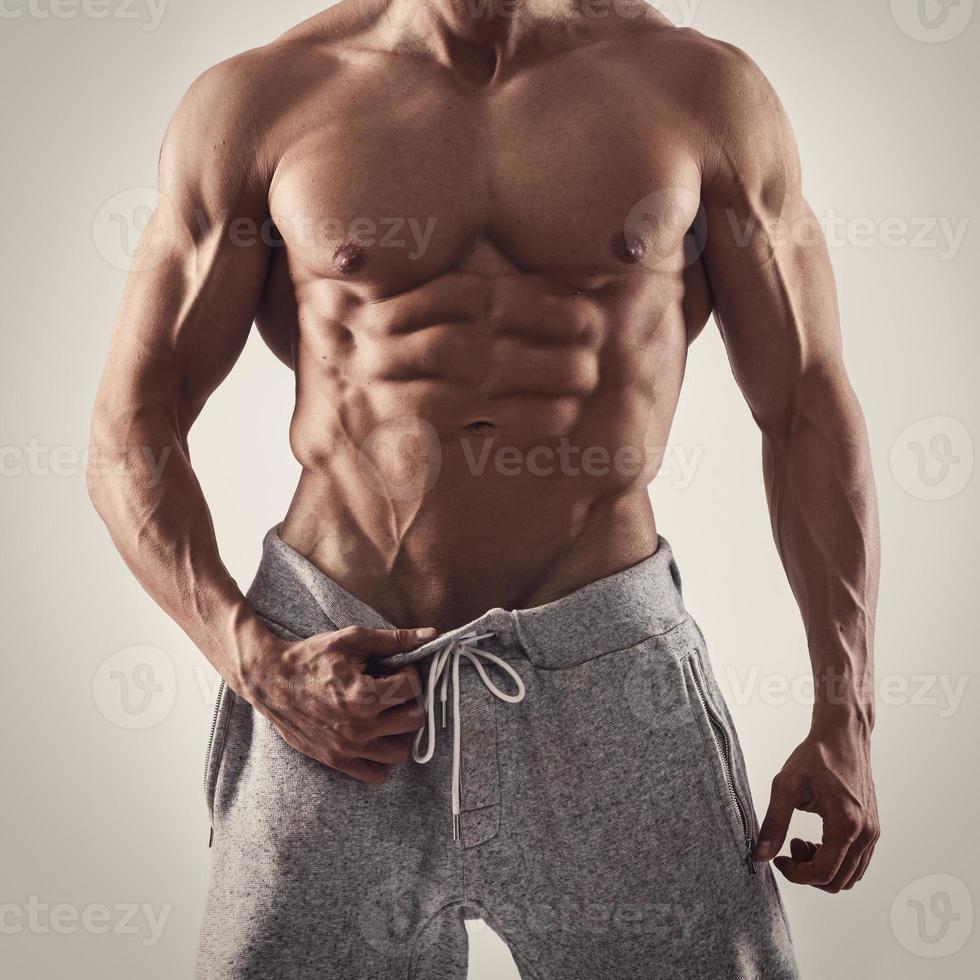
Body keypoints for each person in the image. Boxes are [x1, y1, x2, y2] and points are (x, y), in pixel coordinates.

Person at [88, 2, 880, 977]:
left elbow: (804, 405)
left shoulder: (699, 92)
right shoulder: (263, 101)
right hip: (331, 677)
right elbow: (133, 422)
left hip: (608, 672)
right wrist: (255, 660)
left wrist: (843, 717)